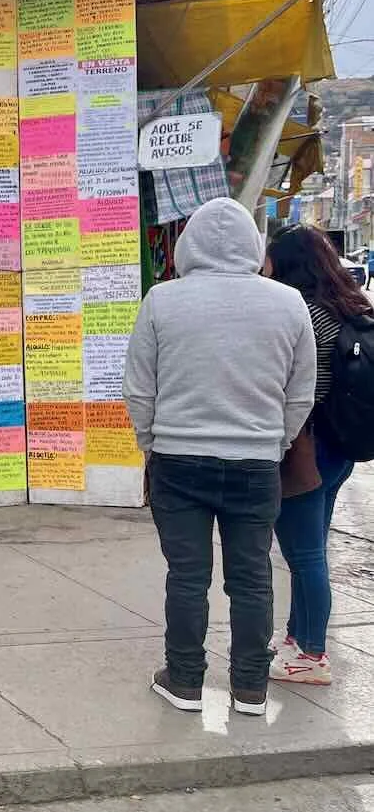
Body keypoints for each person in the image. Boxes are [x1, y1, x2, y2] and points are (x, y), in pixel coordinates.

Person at [124, 198, 316, 717]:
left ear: (190, 244)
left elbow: (139, 388)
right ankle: (251, 686)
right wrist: (273, 443)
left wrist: (151, 441)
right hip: (255, 463)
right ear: (254, 245)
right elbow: (300, 392)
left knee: (187, 576)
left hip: (178, 459)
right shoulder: (289, 303)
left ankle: (184, 679)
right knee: (252, 576)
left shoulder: (163, 300)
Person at [264, 224, 372, 685]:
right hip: (341, 445)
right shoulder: (348, 306)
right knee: (311, 549)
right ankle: (297, 638)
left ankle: (311, 654)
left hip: (307, 447)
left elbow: (302, 388)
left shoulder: (300, 312)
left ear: (285, 265)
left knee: (304, 553)